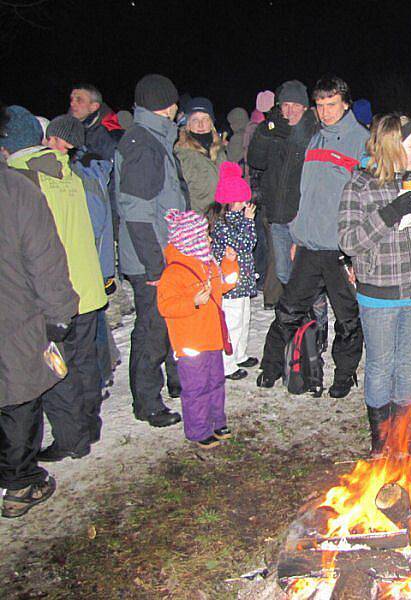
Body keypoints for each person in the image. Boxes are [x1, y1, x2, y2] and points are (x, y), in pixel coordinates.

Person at [339, 114, 411, 455]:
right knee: (380, 364)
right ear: (391, 146)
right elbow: (349, 241)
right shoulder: (358, 185)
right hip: (380, 294)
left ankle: (402, 439)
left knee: (407, 363)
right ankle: (380, 442)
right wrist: (389, 213)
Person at [4, 106, 107, 462]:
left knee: (56, 367)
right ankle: (89, 425)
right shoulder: (71, 174)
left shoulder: (21, 179)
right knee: (85, 361)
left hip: (54, 292)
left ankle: (71, 438)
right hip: (87, 287)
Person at [257, 75, 368, 398]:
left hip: (340, 249)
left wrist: (357, 253)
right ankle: (271, 366)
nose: (325, 111)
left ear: (345, 104)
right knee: (288, 310)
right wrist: (296, 234)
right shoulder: (315, 140)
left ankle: (344, 375)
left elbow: (364, 200)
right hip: (307, 244)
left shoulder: (361, 142)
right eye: (319, 105)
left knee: (348, 319)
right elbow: (304, 193)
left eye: (331, 104)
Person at [0, 104, 79, 517]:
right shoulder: (15, 190)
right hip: (14, 315)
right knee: (18, 397)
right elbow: (45, 259)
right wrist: (60, 312)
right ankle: (20, 482)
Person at [115, 73, 185, 428]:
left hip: (162, 254)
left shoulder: (153, 138)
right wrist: (156, 268)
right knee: (152, 331)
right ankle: (147, 401)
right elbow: (138, 215)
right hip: (150, 261)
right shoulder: (144, 144)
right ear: (169, 105)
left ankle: (176, 381)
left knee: (169, 323)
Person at [47, 116, 119, 397]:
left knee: (88, 331)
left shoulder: (78, 175)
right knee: (91, 325)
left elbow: (96, 223)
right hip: (87, 266)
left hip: (84, 265)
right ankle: (101, 372)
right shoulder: (82, 171)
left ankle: (98, 379)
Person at [157, 209, 239, 449]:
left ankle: (216, 421)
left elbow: (226, 285)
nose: (209, 239)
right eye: (204, 236)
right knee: (196, 388)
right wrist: (193, 302)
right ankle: (198, 429)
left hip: (212, 338)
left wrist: (229, 263)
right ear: (190, 239)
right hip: (191, 344)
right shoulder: (174, 273)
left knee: (216, 382)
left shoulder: (208, 265)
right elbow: (166, 306)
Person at [247, 80, 319, 290]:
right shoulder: (270, 129)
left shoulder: (315, 132)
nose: (290, 110)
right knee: (283, 270)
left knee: (305, 271)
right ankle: (297, 313)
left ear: (305, 107)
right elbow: (256, 161)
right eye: (285, 105)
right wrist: (264, 134)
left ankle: (311, 316)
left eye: (296, 105)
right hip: (278, 214)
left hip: (303, 215)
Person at [207, 162, 258, 380]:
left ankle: (239, 354)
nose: (244, 204)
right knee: (232, 323)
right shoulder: (221, 224)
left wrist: (246, 221)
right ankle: (227, 363)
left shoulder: (236, 218)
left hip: (243, 281)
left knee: (244, 319)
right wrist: (248, 222)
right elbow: (244, 244)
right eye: (240, 201)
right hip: (230, 285)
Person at [174, 97, 227, 214]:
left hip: (220, 219)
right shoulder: (181, 153)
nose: (201, 124)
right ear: (188, 123)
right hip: (196, 221)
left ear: (211, 122)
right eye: (195, 120)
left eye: (205, 119)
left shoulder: (220, 150)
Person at [68, 83, 123, 161]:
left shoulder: (108, 136)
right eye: (71, 99)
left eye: (79, 100)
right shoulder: (67, 128)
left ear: (94, 107)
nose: (72, 103)